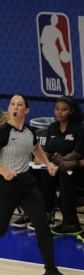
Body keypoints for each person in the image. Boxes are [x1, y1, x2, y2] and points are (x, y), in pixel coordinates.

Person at [0, 94, 69, 275]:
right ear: (9, 109)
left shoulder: (30, 132)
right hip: (5, 185)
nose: (15, 107)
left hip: (26, 183)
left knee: (42, 224)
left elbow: (36, 149)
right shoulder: (2, 132)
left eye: (20, 105)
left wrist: (48, 164)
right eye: (12, 104)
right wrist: (4, 171)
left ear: (26, 110)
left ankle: (50, 270)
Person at [42, 96, 84, 236]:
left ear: (71, 111)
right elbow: (47, 151)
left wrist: (63, 160)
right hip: (58, 166)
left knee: (65, 173)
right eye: (57, 109)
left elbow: (78, 153)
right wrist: (47, 159)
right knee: (45, 172)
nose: (59, 112)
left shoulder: (79, 128)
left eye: (64, 110)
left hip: (77, 169)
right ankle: (45, 215)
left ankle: (71, 223)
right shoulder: (52, 127)